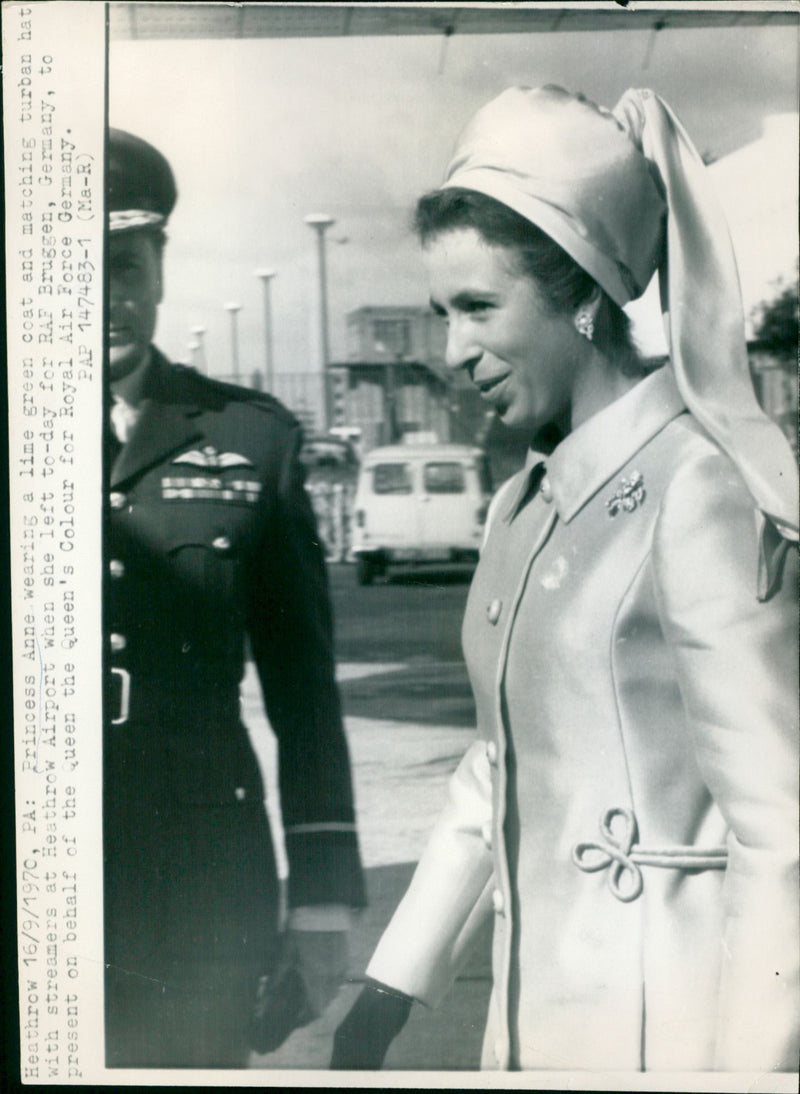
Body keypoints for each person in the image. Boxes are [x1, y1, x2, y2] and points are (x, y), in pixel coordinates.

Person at [331, 86, 799, 1073]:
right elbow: (496, 768)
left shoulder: (699, 488)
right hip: (527, 1023)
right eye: (438, 312)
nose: (452, 351)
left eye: (476, 307)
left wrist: (753, 1070)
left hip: (668, 1033)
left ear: (582, 295)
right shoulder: (517, 507)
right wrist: (391, 981)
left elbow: (782, 832)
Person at [103, 129, 365, 1068]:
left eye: (125, 263)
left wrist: (324, 894)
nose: (105, 296)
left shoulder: (249, 440)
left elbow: (302, 686)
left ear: (161, 267)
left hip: (201, 878)